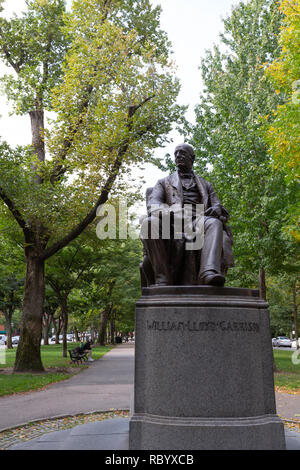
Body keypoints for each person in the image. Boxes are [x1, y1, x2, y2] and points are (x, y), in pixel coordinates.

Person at [140, 143, 234, 286]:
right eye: (176, 153)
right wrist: (172, 212)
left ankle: (208, 272)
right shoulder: (163, 182)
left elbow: (218, 206)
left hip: (198, 220)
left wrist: (217, 210)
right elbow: (153, 205)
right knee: (149, 223)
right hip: (171, 223)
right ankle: (162, 278)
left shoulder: (206, 184)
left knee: (214, 223)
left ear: (193, 158)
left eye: (182, 153)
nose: (178, 156)